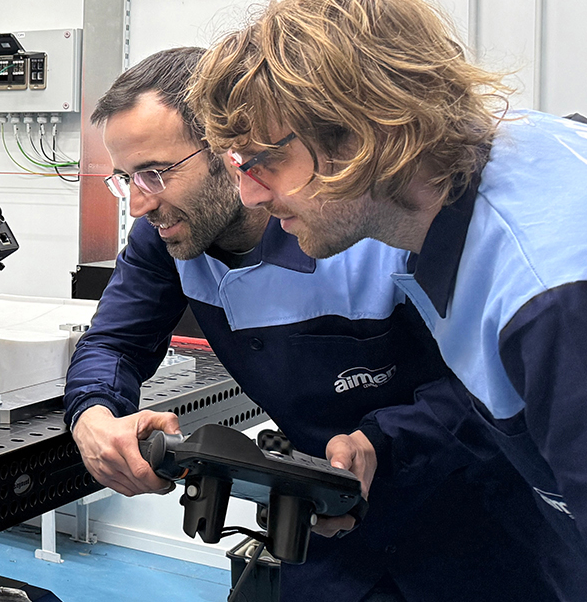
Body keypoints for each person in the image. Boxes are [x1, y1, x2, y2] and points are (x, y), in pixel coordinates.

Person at [65, 47, 579, 601]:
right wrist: (93, 414)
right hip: (328, 529)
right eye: (125, 178)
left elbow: (486, 382)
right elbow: (113, 342)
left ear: (226, 149)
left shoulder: (372, 225)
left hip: (480, 521)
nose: (139, 205)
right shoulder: (169, 238)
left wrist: (384, 440)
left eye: (155, 174)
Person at [190, 0, 587, 559]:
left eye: (264, 162)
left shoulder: (550, 302)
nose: (250, 196)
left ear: (364, 131)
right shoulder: (513, 152)